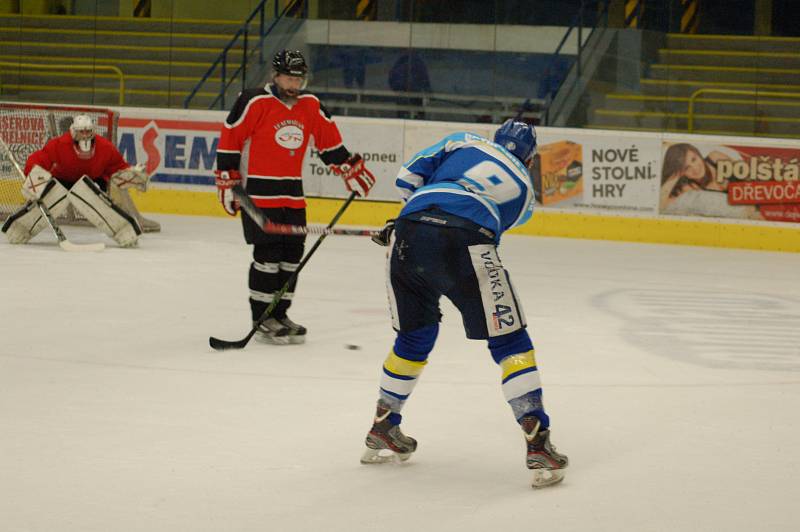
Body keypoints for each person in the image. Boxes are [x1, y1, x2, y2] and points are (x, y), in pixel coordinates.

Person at [360, 120, 569, 488]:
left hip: (408, 232)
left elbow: (406, 179)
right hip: (465, 239)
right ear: (531, 160)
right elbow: (491, 223)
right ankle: (537, 440)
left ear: (495, 140)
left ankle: (384, 424)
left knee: (414, 336)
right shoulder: (525, 192)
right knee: (509, 340)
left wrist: (409, 219)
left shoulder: (463, 141)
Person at [215, 49, 376, 345]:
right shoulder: (253, 101)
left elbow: (330, 145)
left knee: (291, 258)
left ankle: (280, 314)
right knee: (267, 257)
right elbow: (230, 142)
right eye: (289, 78)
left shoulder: (310, 105)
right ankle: (261, 318)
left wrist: (349, 169)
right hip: (258, 194)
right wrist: (228, 182)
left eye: (299, 79)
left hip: (292, 195)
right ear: (275, 76)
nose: (294, 85)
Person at [2, 114, 148, 247]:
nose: (85, 135)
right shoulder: (60, 144)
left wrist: (130, 173)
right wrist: (34, 179)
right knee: (52, 194)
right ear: (73, 131)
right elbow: (39, 159)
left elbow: (117, 167)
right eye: (81, 132)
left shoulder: (105, 147)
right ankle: (19, 228)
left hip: (93, 181)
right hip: (63, 180)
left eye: (88, 131)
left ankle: (125, 231)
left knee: (92, 195)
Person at [660, 143, 762, 220]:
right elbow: (661, 205)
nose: (695, 168)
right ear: (682, 173)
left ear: (698, 154)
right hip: (743, 214)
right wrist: (675, 174)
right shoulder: (691, 187)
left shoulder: (715, 158)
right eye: (687, 168)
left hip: (759, 198)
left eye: (694, 159)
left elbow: (748, 175)